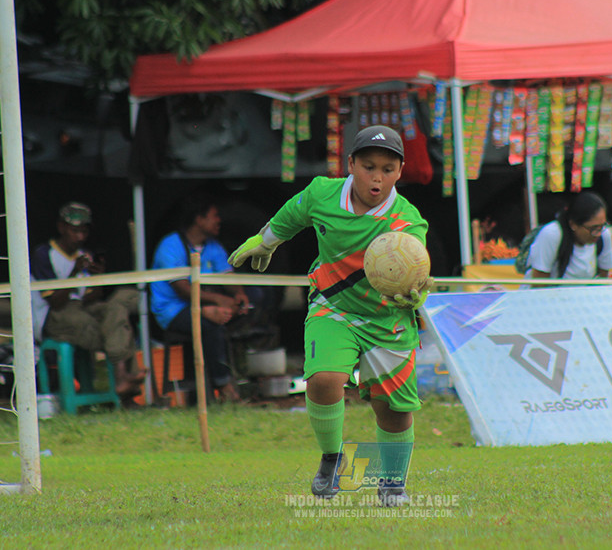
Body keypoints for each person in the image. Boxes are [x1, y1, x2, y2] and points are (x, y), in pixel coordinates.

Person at [228, 125, 429, 507]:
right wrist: (266, 241)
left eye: (387, 169)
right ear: (350, 164)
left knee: (393, 411)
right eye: (369, 167)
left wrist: (414, 288)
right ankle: (332, 460)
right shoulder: (322, 193)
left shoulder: (407, 220)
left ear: (400, 172)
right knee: (323, 379)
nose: (377, 178)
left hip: (388, 319)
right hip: (333, 307)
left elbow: (417, 263)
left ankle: (392, 485)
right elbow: (294, 214)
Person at [30, 202, 144, 398]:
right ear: (61, 228)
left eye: (84, 231)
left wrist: (97, 279)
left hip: (82, 308)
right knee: (114, 330)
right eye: (75, 231)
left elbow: (89, 299)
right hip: (52, 316)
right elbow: (55, 302)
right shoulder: (44, 254)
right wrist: (74, 272)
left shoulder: (85, 254)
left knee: (116, 311)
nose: (80, 237)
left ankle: (123, 380)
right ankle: (125, 383)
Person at [150, 192, 248, 403]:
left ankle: (240, 378)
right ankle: (224, 386)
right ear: (199, 219)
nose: (219, 220)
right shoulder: (170, 245)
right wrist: (216, 303)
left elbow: (227, 276)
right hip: (173, 311)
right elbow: (183, 289)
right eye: (214, 216)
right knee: (211, 325)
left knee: (237, 312)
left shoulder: (214, 246)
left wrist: (238, 295)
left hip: (204, 304)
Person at [523, 191, 612, 281]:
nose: (598, 233)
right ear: (573, 224)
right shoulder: (552, 234)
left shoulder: (604, 235)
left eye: (602, 226)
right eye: (593, 228)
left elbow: (603, 280)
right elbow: (539, 283)